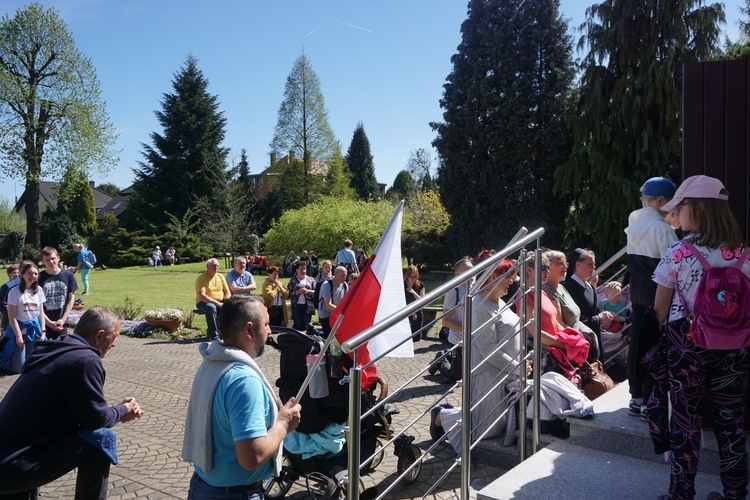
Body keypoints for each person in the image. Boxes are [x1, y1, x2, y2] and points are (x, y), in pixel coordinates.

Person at [653, 175, 750, 500]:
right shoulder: (744, 256)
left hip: (688, 345)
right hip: (735, 346)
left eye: (681, 207)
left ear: (696, 208)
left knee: (686, 422)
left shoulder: (679, 252)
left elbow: (659, 307)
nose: (677, 214)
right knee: (732, 423)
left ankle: (681, 495)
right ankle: (736, 494)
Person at [0, 306, 143, 500]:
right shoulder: (85, 360)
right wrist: (123, 409)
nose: (115, 344)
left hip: (9, 454)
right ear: (100, 336)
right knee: (100, 440)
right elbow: (96, 419)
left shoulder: (56, 348)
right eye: (114, 336)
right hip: (12, 468)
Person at [182, 296, 302, 498]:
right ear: (249, 330)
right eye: (265, 324)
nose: (269, 330)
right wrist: (283, 424)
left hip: (204, 486)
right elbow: (251, 457)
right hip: (233, 494)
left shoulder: (212, 362)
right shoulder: (244, 381)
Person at [430, 256, 525, 454]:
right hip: (487, 376)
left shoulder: (499, 302)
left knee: (494, 427)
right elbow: (489, 350)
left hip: (505, 373)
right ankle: (441, 415)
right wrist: (518, 367)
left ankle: (454, 413)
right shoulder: (480, 307)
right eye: (507, 277)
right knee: (481, 431)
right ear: (491, 277)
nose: (511, 282)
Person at [624, 176, 678, 418]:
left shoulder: (633, 221)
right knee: (655, 346)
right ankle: (649, 401)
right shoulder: (661, 229)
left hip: (636, 292)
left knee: (636, 343)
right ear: (660, 201)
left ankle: (636, 397)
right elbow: (675, 264)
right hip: (657, 295)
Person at [542, 250, 601, 362]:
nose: (565, 266)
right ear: (547, 266)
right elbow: (556, 325)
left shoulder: (561, 287)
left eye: (566, 263)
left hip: (576, 346)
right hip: (566, 350)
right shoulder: (546, 291)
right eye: (559, 263)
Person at [563, 248, 610, 361]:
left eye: (594, 264)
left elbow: (594, 310)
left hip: (595, 338)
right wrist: (597, 319)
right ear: (578, 264)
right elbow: (573, 318)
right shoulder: (570, 287)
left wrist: (603, 315)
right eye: (590, 264)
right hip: (584, 343)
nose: (593, 267)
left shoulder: (588, 285)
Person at [0, 262, 46, 374]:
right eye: (30, 273)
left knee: (31, 364)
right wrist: (18, 335)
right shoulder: (14, 291)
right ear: (22, 274)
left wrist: (43, 331)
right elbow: (11, 315)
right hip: (18, 330)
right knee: (18, 369)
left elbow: (41, 312)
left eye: (35, 273)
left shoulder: (39, 290)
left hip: (33, 330)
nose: (33, 276)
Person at [39, 246, 78, 340]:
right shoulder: (39, 277)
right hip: (44, 323)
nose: (51, 262)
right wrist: (48, 322)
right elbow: (37, 303)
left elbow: (71, 298)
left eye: (53, 258)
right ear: (43, 261)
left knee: (62, 351)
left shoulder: (68, 275)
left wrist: (63, 319)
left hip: (62, 322)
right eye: (47, 260)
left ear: (58, 258)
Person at [196, 258, 232, 341]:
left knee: (233, 307)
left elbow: (227, 292)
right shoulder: (201, 279)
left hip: (220, 301)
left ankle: (229, 332)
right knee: (211, 307)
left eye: (217, 266)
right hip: (203, 303)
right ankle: (214, 335)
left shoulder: (220, 276)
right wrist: (218, 304)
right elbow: (203, 297)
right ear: (207, 266)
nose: (216, 267)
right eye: (214, 266)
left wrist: (227, 300)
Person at [318, 266, 349, 337]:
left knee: (337, 336)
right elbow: (328, 305)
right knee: (328, 336)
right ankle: (313, 331)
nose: (345, 278)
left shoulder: (345, 285)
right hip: (326, 313)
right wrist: (342, 312)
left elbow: (346, 301)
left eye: (345, 275)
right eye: (343, 275)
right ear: (336, 274)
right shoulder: (326, 285)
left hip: (337, 313)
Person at [288, 262, 315, 331]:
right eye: (301, 269)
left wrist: (308, 291)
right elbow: (289, 294)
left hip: (308, 305)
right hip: (296, 305)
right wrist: (298, 292)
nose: (303, 271)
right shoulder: (293, 280)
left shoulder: (311, 279)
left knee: (306, 325)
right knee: (298, 325)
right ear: (297, 270)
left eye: (304, 269)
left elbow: (316, 292)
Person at [404, 265, 426, 340]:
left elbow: (422, 301)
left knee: (416, 337)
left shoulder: (420, 285)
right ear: (407, 276)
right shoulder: (402, 285)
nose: (413, 279)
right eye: (411, 276)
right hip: (405, 312)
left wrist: (413, 292)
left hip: (417, 311)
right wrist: (412, 312)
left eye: (415, 276)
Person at [0, 264, 20, 331]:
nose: (16, 275)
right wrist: (11, 314)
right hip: (7, 318)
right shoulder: (5, 287)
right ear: (9, 274)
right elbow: (2, 305)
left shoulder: (21, 286)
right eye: (14, 273)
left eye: (18, 273)